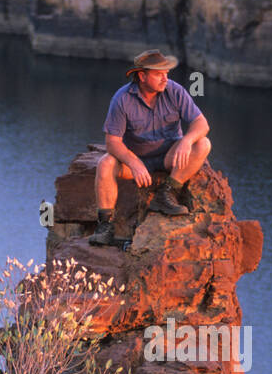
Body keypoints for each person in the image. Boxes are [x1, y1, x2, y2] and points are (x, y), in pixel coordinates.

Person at [89, 49, 211, 247]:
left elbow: (201, 124)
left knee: (203, 143)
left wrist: (187, 141)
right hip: (137, 161)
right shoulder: (122, 99)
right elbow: (112, 141)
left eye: (166, 73)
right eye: (158, 74)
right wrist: (133, 162)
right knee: (105, 164)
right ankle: (105, 227)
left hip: (170, 157)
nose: (165, 78)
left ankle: (167, 192)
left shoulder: (175, 91)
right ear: (142, 76)